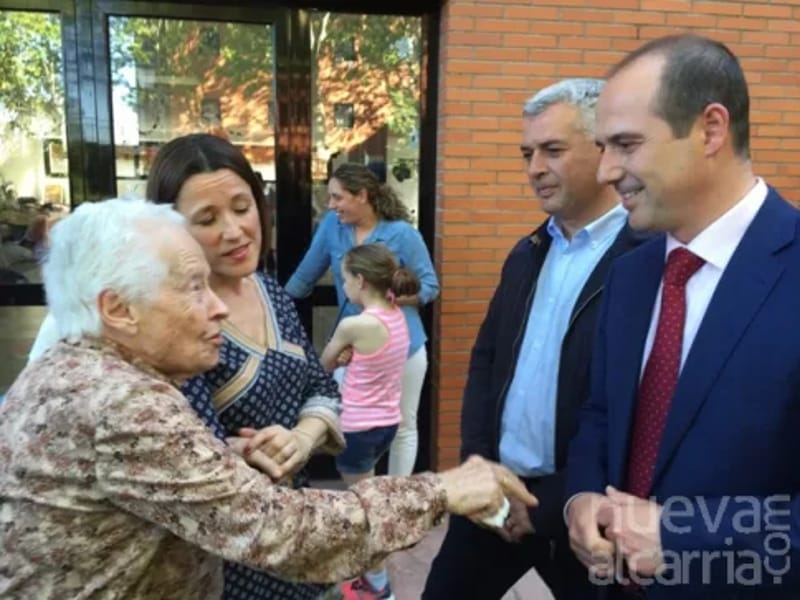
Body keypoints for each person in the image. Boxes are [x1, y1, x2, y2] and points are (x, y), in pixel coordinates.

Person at [0, 197, 537, 599]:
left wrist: (226, 459)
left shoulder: (74, 369)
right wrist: (441, 490)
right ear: (118, 310)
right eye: (192, 287)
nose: (217, 308)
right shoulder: (120, 403)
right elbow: (286, 532)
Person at [28, 133, 344, 600]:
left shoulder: (270, 291)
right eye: (207, 219)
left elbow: (321, 385)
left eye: (242, 207)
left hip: (289, 533)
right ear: (169, 229)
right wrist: (246, 453)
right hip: (219, 552)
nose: (234, 231)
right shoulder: (163, 327)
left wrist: (303, 437)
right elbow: (185, 458)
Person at [565, 34, 800, 598]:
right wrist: (580, 501)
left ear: (711, 129)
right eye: (603, 147)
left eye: (625, 144)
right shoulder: (630, 275)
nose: (604, 171)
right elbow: (599, 414)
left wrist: (683, 536)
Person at [423, 78, 646, 599]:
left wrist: (549, 504)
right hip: (495, 499)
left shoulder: (646, 259)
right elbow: (485, 363)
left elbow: (633, 408)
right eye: (528, 153)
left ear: (604, 150)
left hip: (584, 516)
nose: (534, 169)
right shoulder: (527, 253)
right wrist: (480, 465)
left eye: (552, 150)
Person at [285, 163, 438, 478]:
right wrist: (273, 303)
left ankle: (398, 499)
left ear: (363, 196)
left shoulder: (402, 233)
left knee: (403, 425)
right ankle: (364, 491)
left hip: (403, 346)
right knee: (345, 421)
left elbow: (430, 286)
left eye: (338, 197)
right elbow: (304, 276)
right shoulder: (332, 225)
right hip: (352, 350)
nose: (331, 205)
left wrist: (387, 298)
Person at [318, 243, 420, 600]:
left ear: (360, 281)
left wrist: (342, 354)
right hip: (385, 425)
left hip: (357, 428)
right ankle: (372, 575)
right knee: (369, 497)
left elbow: (325, 364)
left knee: (363, 511)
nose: (342, 285)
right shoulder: (398, 316)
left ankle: (379, 585)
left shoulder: (354, 324)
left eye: (344, 278)